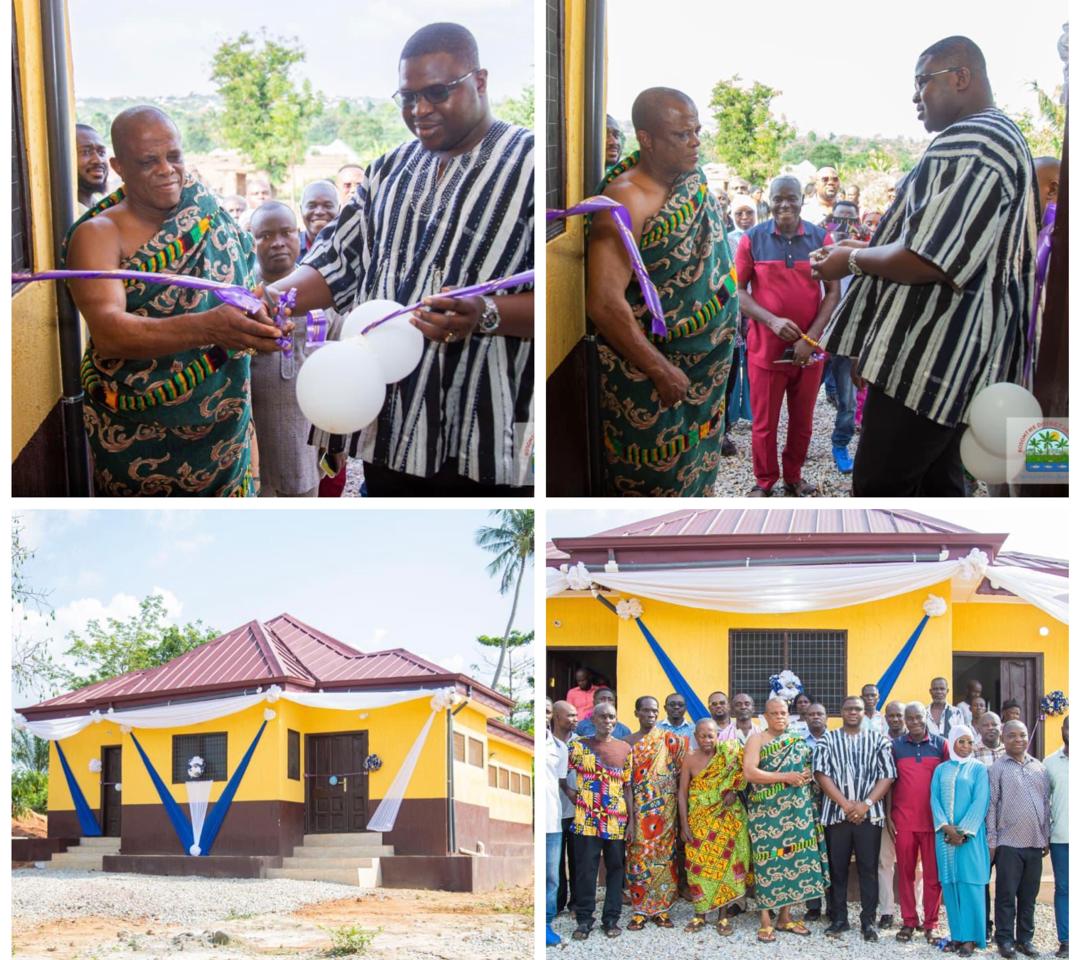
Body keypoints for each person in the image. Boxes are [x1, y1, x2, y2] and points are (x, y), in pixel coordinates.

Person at [265, 22, 534, 497]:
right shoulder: (387, 170)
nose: (420, 110)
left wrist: (486, 314)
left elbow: (564, 291)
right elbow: (335, 264)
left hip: (483, 431)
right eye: (407, 97)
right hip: (389, 427)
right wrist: (267, 301)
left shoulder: (531, 164)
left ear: (481, 81)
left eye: (436, 93)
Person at [814, 36, 1038, 496]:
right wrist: (861, 245)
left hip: (929, 361)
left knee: (880, 488)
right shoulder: (994, 135)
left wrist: (851, 259)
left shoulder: (975, 141)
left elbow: (927, 259)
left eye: (922, 83)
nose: (915, 97)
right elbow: (932, 240)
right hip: (950, 361)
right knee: (938, 488)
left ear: (961, 77)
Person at [64, 105, 285, 497]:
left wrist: (264, 321)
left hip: (225, 429)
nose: (167, 169)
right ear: (118, 167)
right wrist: (209, 327)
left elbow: (246, 293)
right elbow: (110, 334)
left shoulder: (208, 215)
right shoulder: (98, 235)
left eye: (175, 156)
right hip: (136, 435)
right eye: (148, 161)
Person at [587, 87, 737, 496]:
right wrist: (659, 369)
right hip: (654, 379)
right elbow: (603, 301)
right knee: (657, 482)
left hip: (706, 371)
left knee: (701, 470)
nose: (695, 143)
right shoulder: (624, 200)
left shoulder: (693, 181)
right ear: (647, 139)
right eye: (681, 135)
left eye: (696, 132)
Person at [736, 175, 840, 496]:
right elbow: (733, 289)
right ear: (768, 200)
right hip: (765, 349)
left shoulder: (822, 239)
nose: (784, 204)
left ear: (801, 199)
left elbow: (833, 293)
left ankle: (793, 477)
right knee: (764, 423)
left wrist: (809, 339)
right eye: (777, 198)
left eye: (791, 198)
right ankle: (764, 481)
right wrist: (771, 320)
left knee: (802, 421)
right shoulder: (751, 240)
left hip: (807, 351)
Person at [249, 201, 343, 497]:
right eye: (265, 235)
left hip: (307, 441)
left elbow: (339, 368)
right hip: (256, 440)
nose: (277, 242)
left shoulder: (324, 294)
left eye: (286, 232)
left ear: (298, 235)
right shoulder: (242, 294)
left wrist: (336, 439)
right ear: (251, 242)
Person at [743, 698, 829, 942]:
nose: (780, 716)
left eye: (783, 712)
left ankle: (785, 917)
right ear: (766, 716)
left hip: (796, 811)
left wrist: (804, 776)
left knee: (792, 860)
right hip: (765, 814)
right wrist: (786, 776)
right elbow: (750, 772)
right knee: (767, 863)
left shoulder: (797, 740)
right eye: (775, 713)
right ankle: (765, 920)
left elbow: (809, 769)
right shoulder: (756, 740)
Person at [813, 695, 897, 941]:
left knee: (868, 869)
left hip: (868, 818)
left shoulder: (879, 740)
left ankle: (868, 921)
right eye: (848, 708)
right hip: (837, 816)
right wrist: (847, 805)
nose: (853, 712)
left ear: (864, 712)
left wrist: (866, 805)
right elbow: (821, 774)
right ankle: (839, 919)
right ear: (841, 711)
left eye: (857, 709)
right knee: (837, 869)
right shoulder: (828, 739)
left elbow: (888, 776)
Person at [567, 702, 634, 940]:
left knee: (616, 870)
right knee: (587, 870)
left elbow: (628, 787)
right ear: (593, 719)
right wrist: (575, 798)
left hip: (616, 821)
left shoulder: (625, 748)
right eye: (603, 717)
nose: (608, 721)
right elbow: (562, 776)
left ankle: (611, 919)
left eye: (612, 717)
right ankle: (585, 920)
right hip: (586, 820)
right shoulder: (578, 746)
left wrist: (632, 823)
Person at [679, 718, 749, 936]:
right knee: (698, 868)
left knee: (725, 866)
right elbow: (682, 793)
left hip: (725, 820)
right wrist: (683, 825)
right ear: (696, 736)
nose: (706, 740)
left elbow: (744, 770)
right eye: (702, 735)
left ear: (717, 735)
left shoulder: (729, 753)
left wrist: (734, 790)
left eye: (710, 735)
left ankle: (723, 916)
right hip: (699, 822)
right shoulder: (689, 759)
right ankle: (700, 914)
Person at [988, 720, 1050, 959]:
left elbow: (1046, 804)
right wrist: (992, 840)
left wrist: (1045, 837)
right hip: (1008, 843)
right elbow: (992, 805)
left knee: (1028, 896)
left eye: (1022, 735)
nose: (1018, 740)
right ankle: (1004, 940)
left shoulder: (1040, 768)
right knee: (1006, 895)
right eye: (1012, 736)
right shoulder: (997, 768)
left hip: (1035, 843)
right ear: (1003, 739)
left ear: (1028, 738)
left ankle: (1025, 939)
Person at [624, 696, 686, 931]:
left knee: (664, 859)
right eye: (646, 711)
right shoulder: (627, 743)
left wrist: (679, 814)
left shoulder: (671, 741)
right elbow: (626, 785)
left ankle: (661, 909)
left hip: (665, 813)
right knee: (638, 858)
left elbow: (681, 776)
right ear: (636, 713)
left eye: (654, 711)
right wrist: (630, 819)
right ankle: (640, 910)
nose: (650, 714)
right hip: (639, 814)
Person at [930, 724, 991, 955]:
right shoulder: (941, 769)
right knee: (951, 883)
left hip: (970, 839)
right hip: (945, 838)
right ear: (952, 742)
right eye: (960, 741)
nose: (965, 746)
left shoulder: (978, 769)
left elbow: (981, 801)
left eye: (969, 742)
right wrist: (946, 827)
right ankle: (957, 935)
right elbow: (934, 799)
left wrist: (963, 831)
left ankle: (972, 938)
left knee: (970, 884)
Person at [891, 701, 948, 942]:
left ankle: (931, 923)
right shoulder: (896, 746)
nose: (914, 722)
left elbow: (948, 781)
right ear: (904, 720)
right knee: (905, 873)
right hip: (903, 821)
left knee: (933, 876)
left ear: (926, 716)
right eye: (909, 718)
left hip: (933, 823)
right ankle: (908, 921)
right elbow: (889, 782)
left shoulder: (941, 745)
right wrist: (887, 817)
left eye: (918, 717)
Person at [823, 199, 863, 475]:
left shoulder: (866, 255)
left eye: (850, 219)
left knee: (848, 400)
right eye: (839, 219)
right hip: (817, 333)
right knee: (800, 398)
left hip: (848, 338)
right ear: (830, 220)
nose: (844, 226)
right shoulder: (821, 248)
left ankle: (841, 443)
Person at [552, 700, 579, 918]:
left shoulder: (580, 744)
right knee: (557, 860)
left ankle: (576, 903)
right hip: (555, 811)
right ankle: (558, 902)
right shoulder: (547, 743)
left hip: (578, 810)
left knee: (579, 858)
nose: (575, 719)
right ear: (556, 717)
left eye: (576, 715)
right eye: (570, 715)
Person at [546, 707, 570, 946]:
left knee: (551, 876)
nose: (543, 714)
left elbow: (560, 781)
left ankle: (546, 924)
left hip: (553, 819)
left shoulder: (559, 749)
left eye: (546, 710)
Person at [1044, 716, 1068, 958]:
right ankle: (1066, 940)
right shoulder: (1050, 763)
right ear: (1063, 730)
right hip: (1061, 837)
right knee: (1063, 888)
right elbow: (1043, 803)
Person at [298, 180, 340, 259]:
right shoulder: (289, 249)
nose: (319, 212)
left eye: (328, 206)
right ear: (301, 210)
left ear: (339, 209)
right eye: (312, 206)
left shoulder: (349, 247)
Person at [75, 123, 109, 212]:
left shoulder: (104, 210)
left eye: (101, 153)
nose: (98, 160)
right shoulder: (65, 216)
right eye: (86, 152)